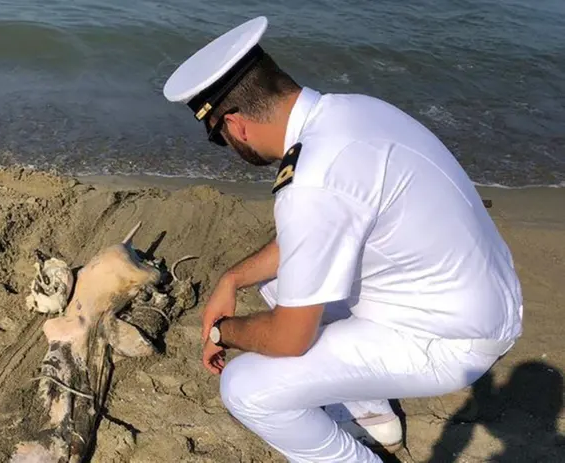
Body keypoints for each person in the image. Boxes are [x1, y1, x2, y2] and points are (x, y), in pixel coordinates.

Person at [161, 16, 523, 462]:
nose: (230, 147)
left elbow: (289, 339)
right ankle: (373, 417)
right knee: (279, 282)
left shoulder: (312, 181)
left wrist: (222, 331)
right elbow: (313, 234)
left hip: (452, 339)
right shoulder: (354, 110)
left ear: (235, 125)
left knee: (246, 388)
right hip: (479, 293)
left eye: (220, 139)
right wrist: (232, 279)